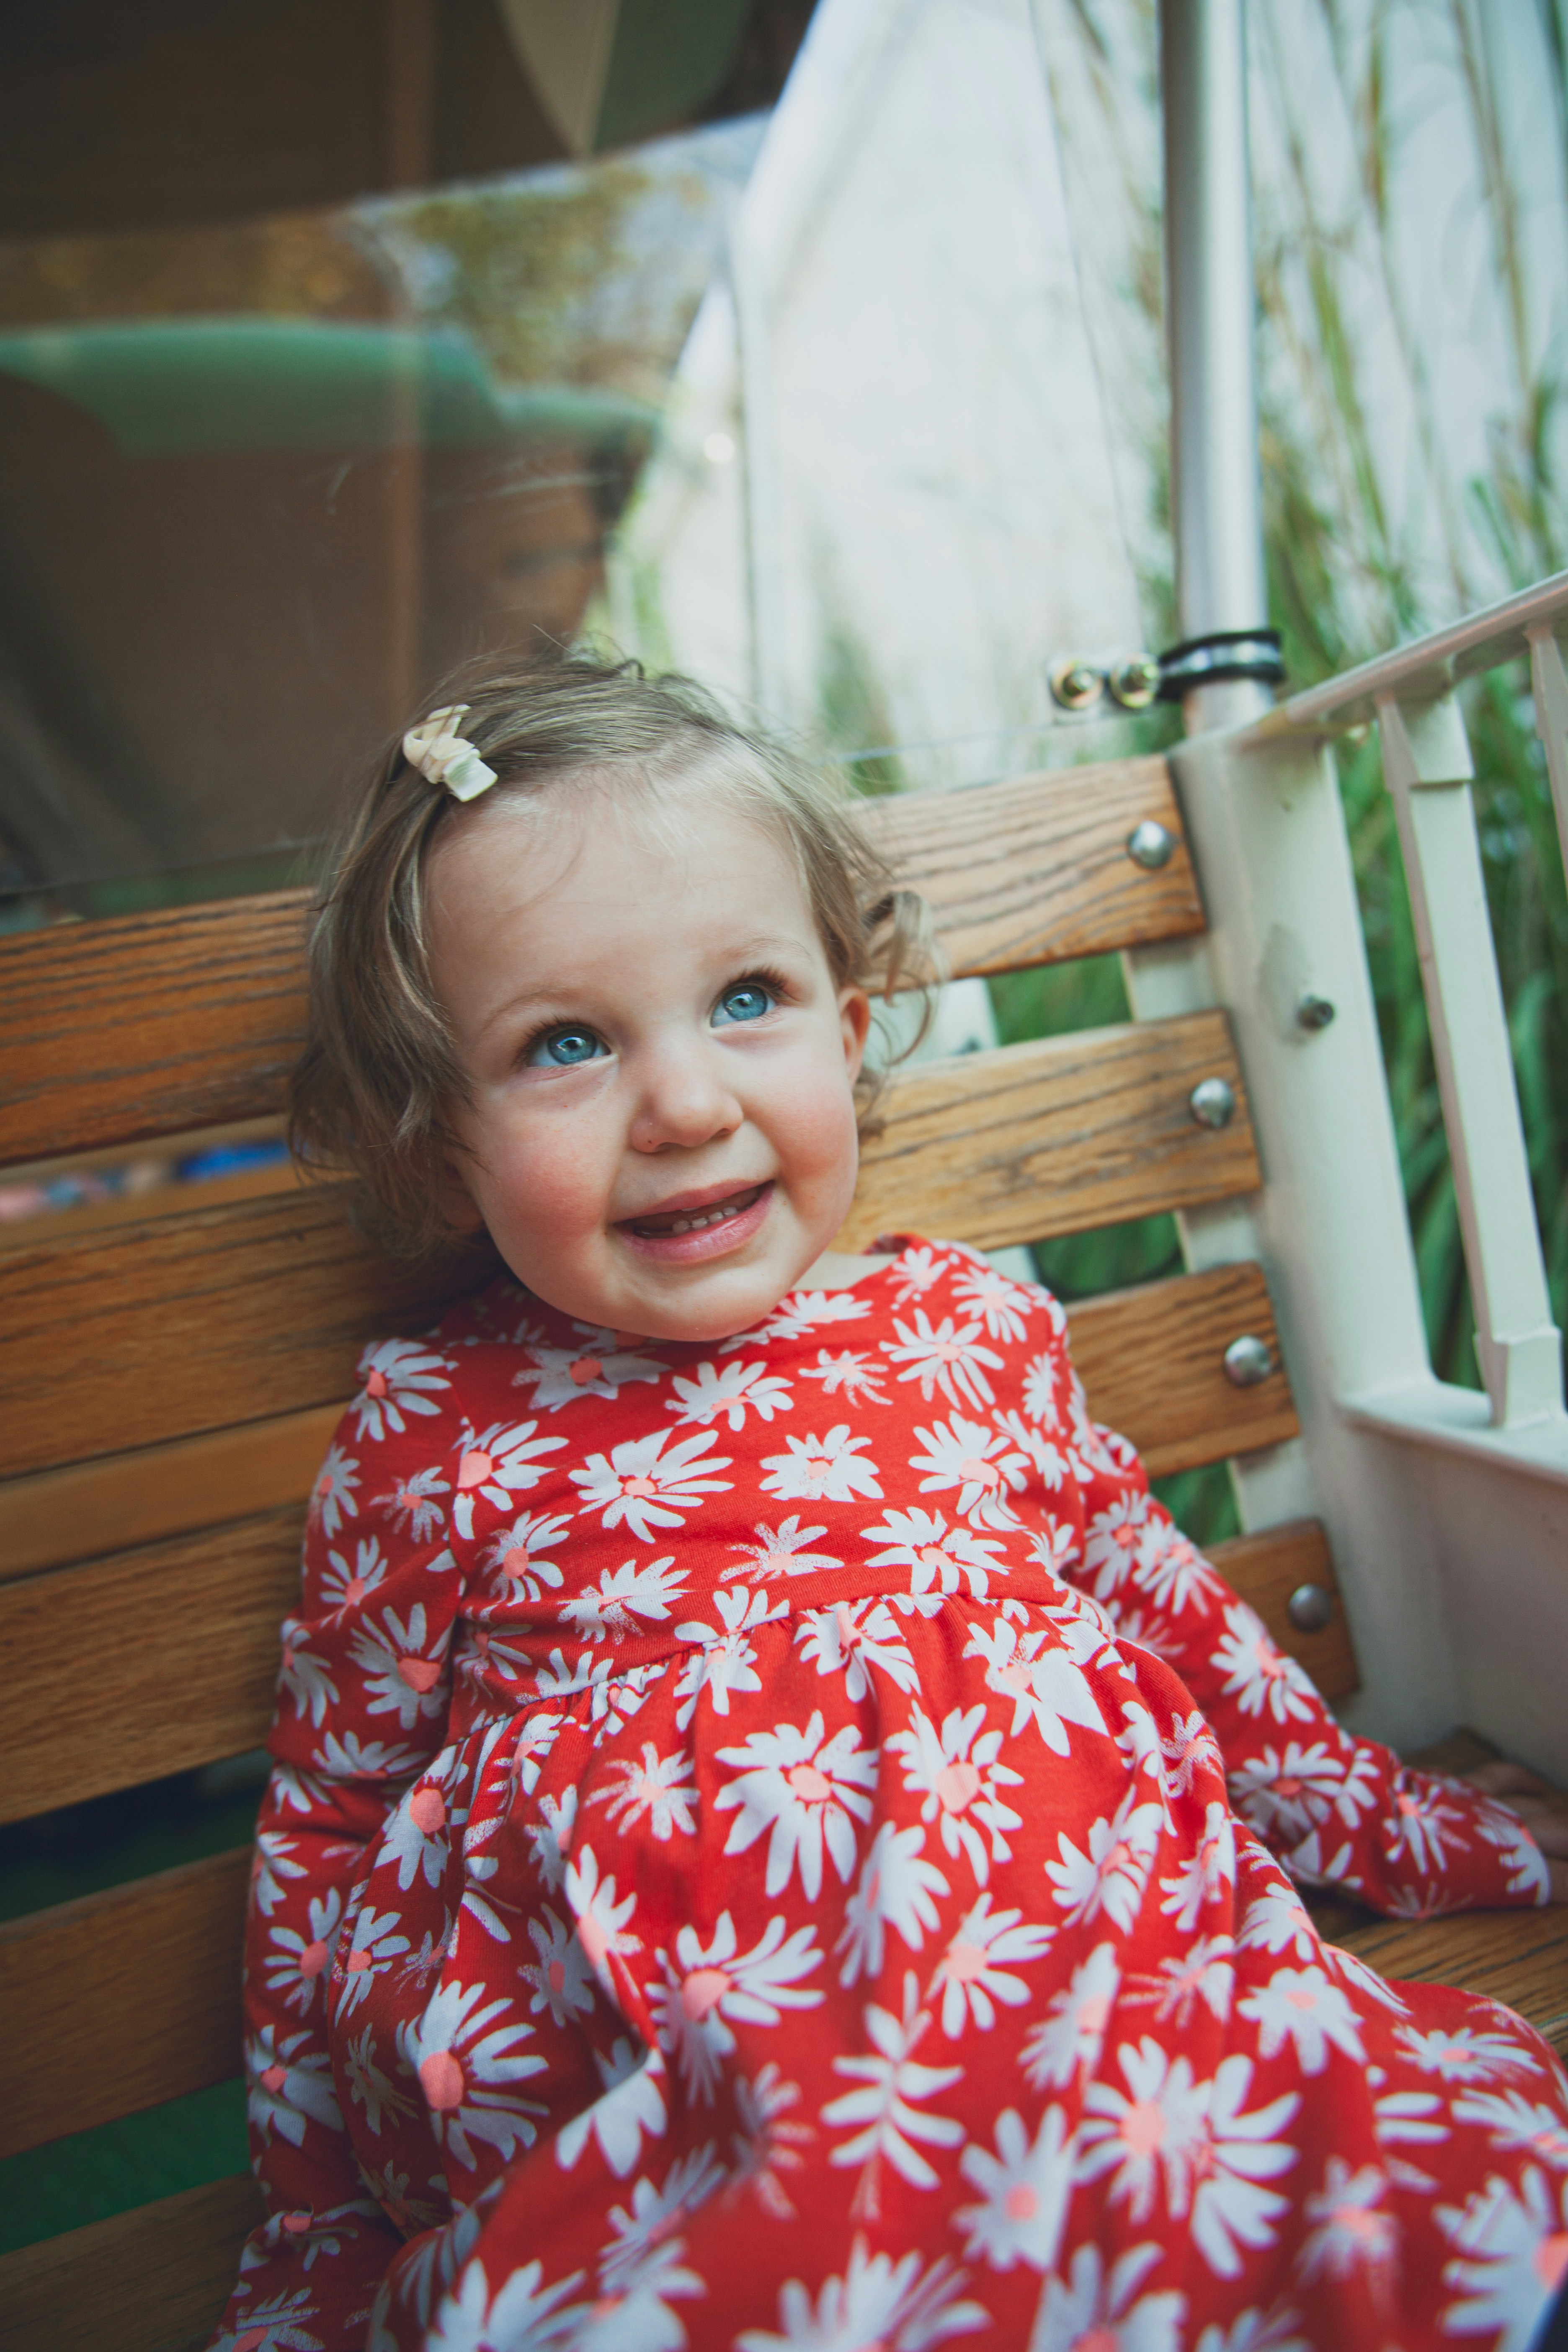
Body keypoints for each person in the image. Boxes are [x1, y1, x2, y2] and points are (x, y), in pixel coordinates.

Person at [211, 657, 1568, 2352]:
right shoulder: (434, 1433)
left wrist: (1402, 1825)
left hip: (1090, 2011)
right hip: (675, 2098)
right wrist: (317, 2215)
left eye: (750, 999)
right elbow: (333, 1818)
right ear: (440, 1149)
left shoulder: (968, 1327)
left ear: (849, 1036)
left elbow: (1160, 1613)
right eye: (565, 1043)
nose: (688, 1102)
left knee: (1340, 2220)